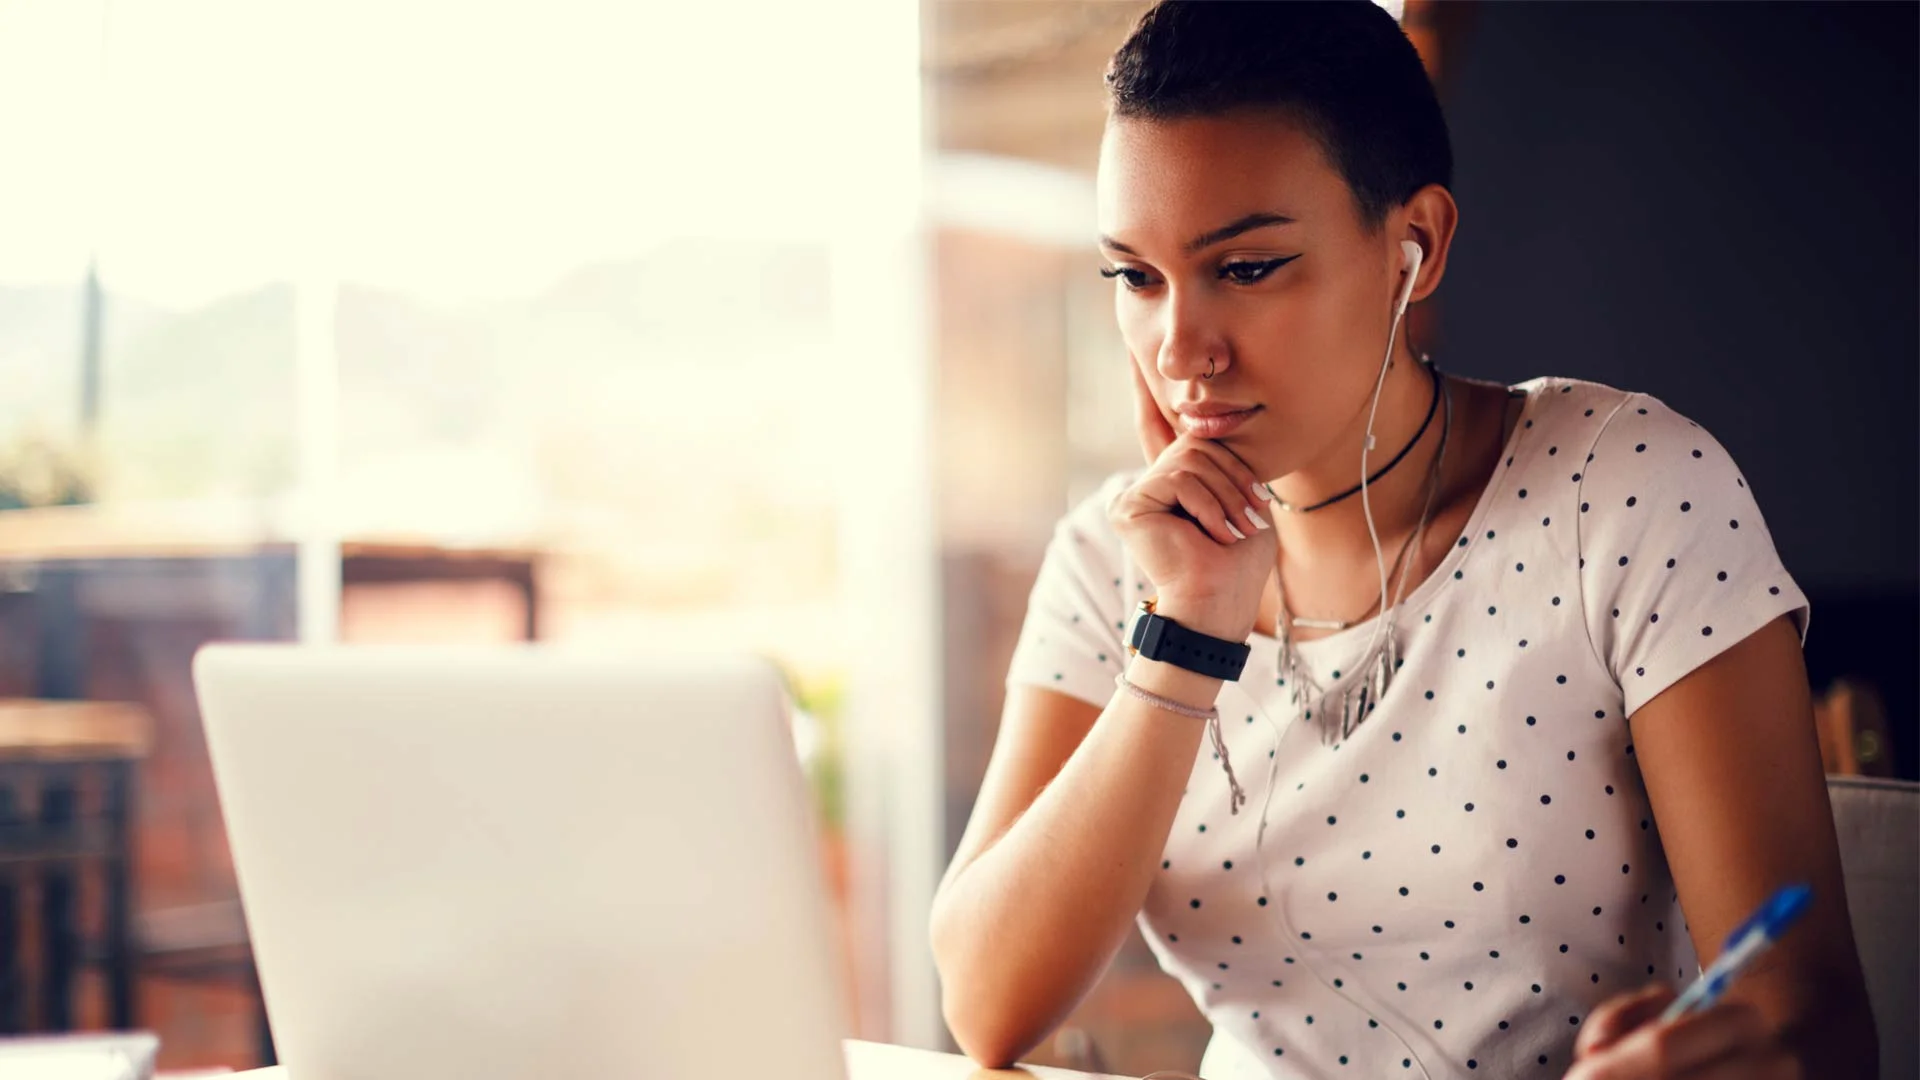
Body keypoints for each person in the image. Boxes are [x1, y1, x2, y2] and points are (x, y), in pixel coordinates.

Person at [927, 3, 1876, 1078]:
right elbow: (988, 1005)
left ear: (1413, 247)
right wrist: (1186, 633)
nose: (1180, 350)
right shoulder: (1115, 560)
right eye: (1136, 277)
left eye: (1245, 267)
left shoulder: (1623, 495)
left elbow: (1817, 1025)